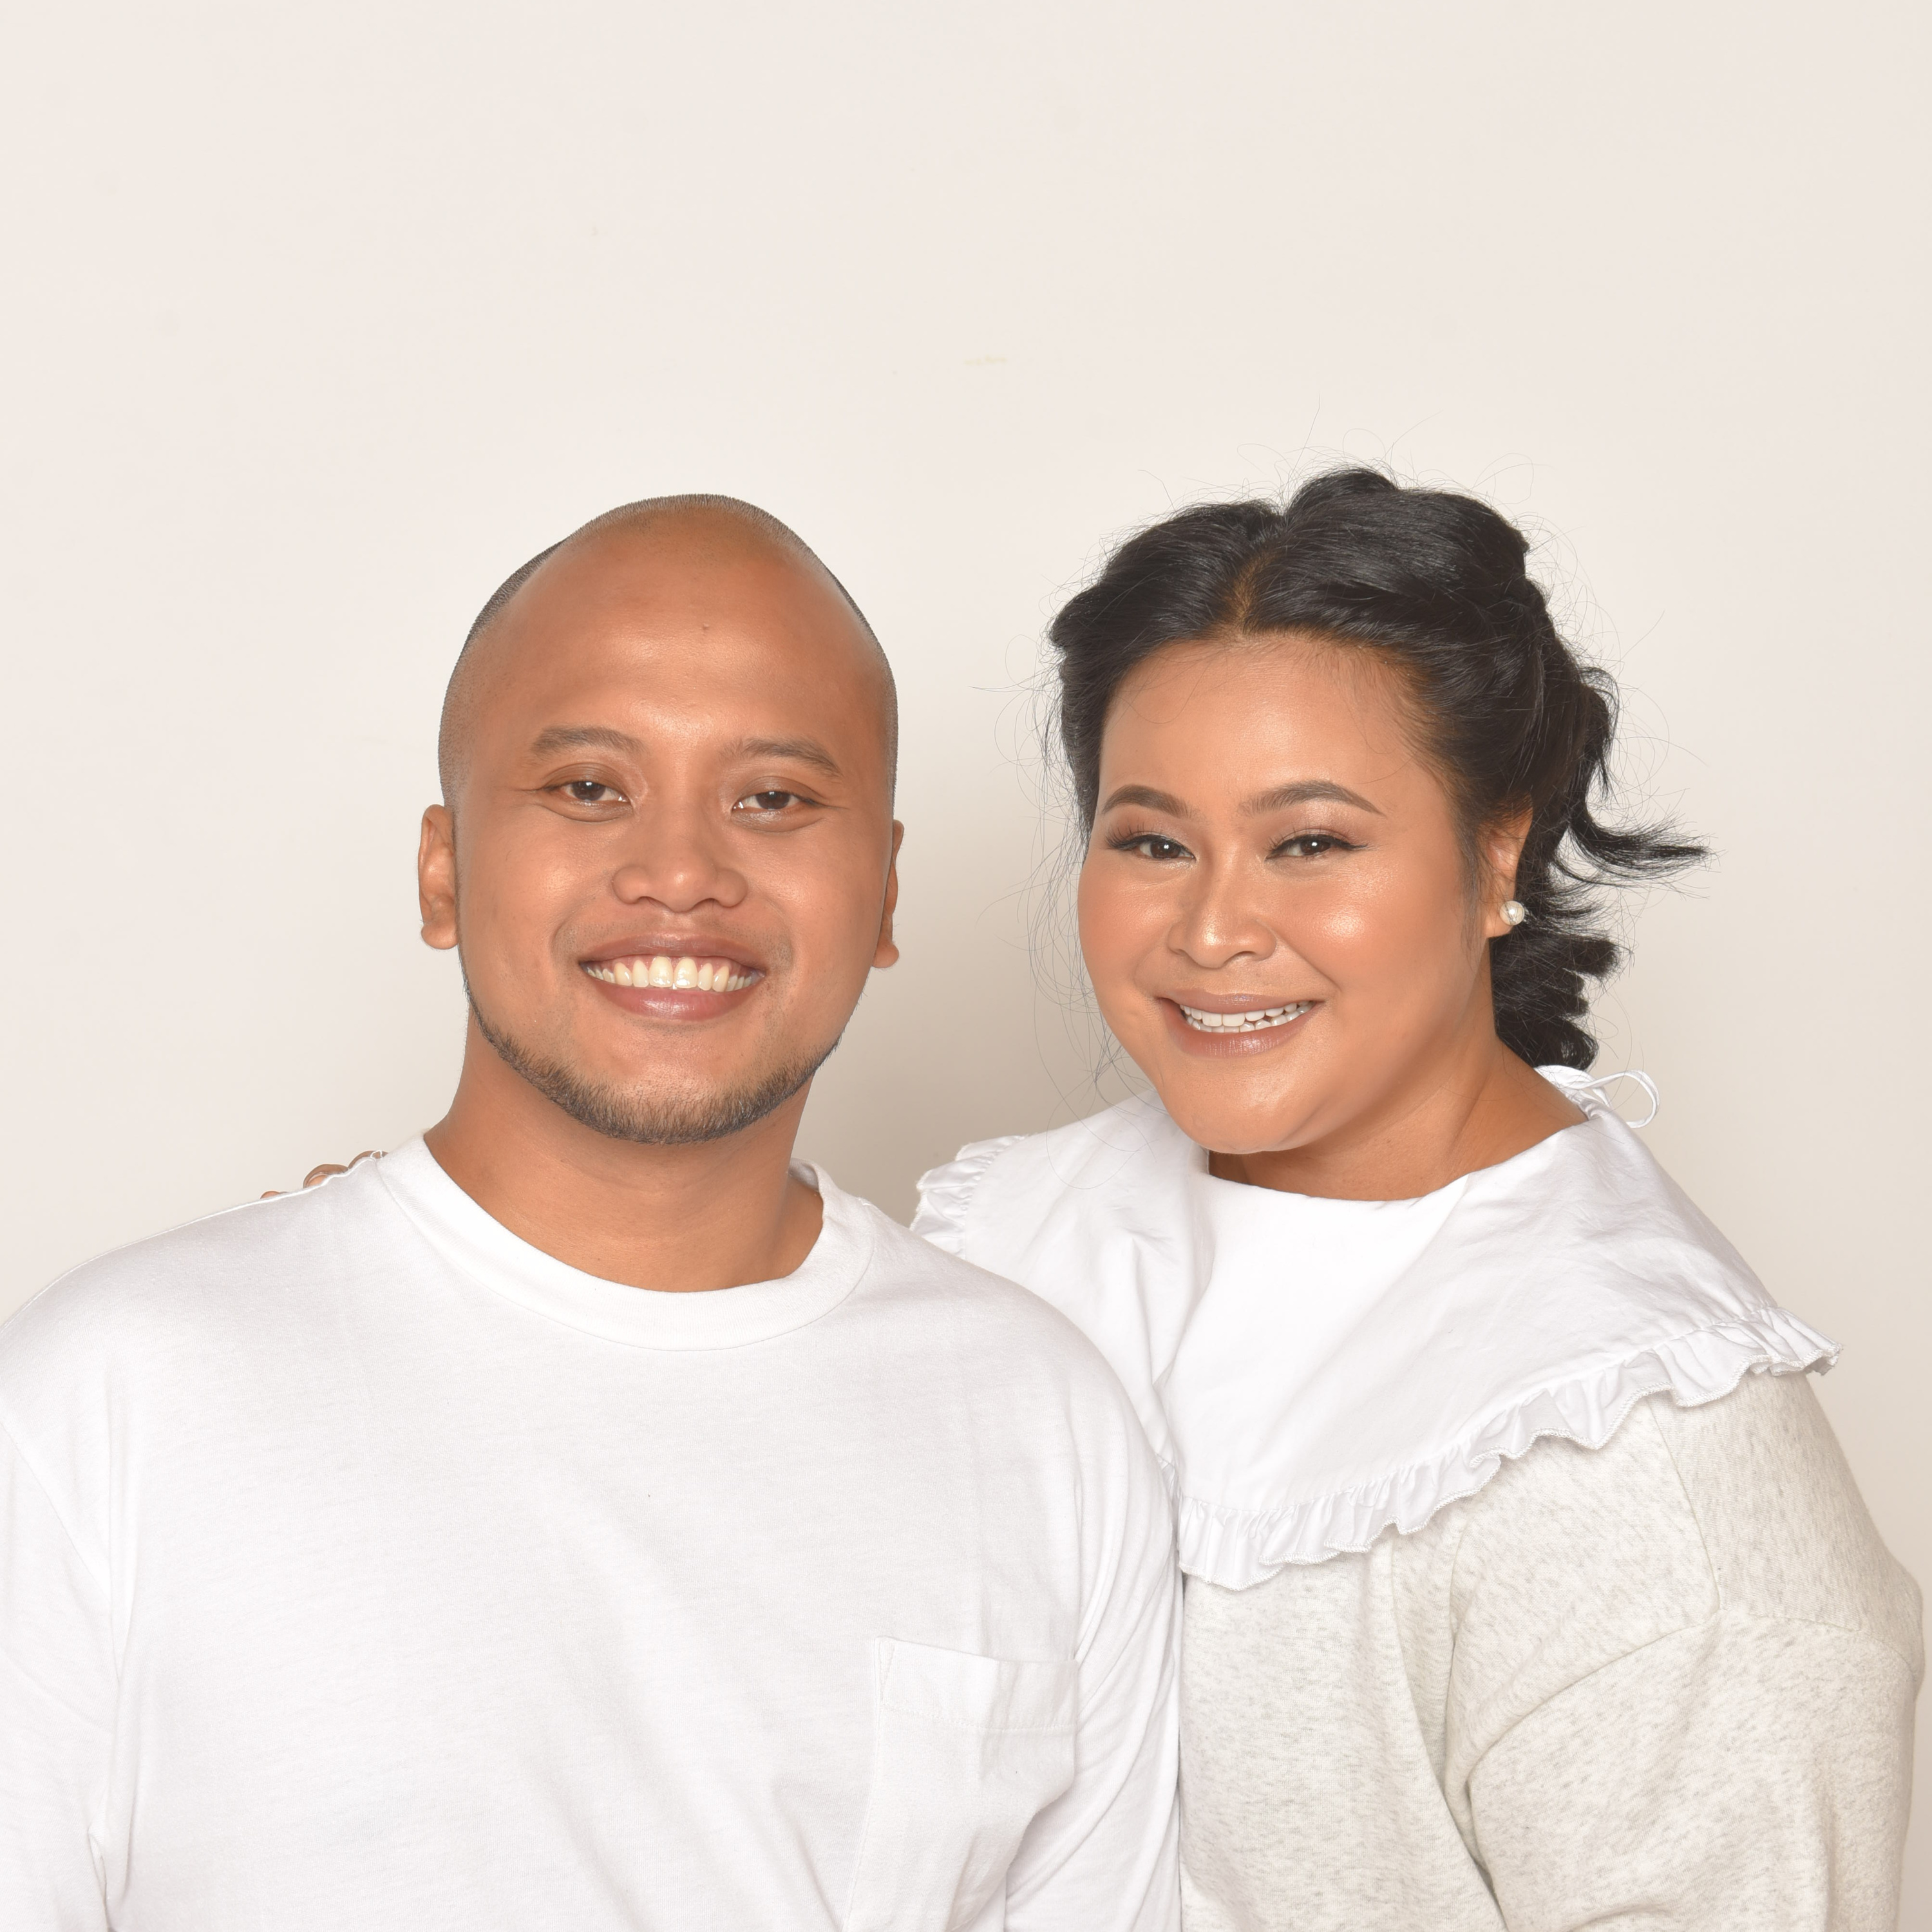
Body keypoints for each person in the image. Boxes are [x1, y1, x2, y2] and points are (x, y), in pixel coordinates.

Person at [0, 498, 1180, 1931]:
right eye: (587, 788)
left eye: (773, 799)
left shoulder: (1047, 1428)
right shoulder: (112, 1396)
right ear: (443, 871)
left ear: (882, 891)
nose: (680, 874)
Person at [914, 470, 1923, 1930]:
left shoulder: (1641, 1471)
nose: (1214, 929)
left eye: (1311, 842)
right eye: (1153, 841)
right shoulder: (993, 1250)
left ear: (1497, 846)